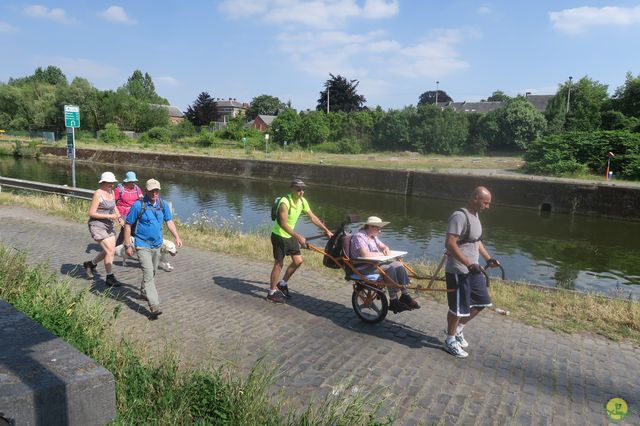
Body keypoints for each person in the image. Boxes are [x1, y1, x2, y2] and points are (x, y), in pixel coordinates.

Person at [443, 186, 500, 358]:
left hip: (473, 268)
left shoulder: (476, 216)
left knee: (482, 302)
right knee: (458, 308)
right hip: (459, 270)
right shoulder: (459, 216)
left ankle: (458, 329)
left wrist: (488, 259)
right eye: (485, 203)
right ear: (475, 198)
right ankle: (450, 340)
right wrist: (467, 263)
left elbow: (477, 242)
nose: (487, 206)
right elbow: (450, 243)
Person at [123, 178, 183, 319]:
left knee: (153, 272)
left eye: (156, 191)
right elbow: (127, 224)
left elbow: (169, 221)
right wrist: (127, 244)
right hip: (142, 244)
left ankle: (144, 291)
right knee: (149, 273)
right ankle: (154, 305)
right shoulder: (138, 205)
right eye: (151, 191)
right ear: (147, 191)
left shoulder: (162, 205)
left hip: (157, 245)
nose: (154, 193)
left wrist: (177, 237)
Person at [268, 178, 333, 303]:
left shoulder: (303, 201)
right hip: (279, 235)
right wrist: (299, 237)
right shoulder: (285, 202)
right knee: (279, 264)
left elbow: (312, 217)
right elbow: (282, 224)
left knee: (298, 261)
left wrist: (326, 230)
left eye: (303, 189)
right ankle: (271, 292)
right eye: (298, 189)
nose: (301, 192)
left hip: (290, 235)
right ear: (292, 188)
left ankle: (282, 284)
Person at [349, 216, 420, 313]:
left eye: (380, 228)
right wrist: (382, 253)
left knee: (398, 265)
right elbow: (365, 254)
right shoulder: (359, 236)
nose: (380, 231)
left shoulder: (373, 237)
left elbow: (382, 246)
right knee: (389, 268)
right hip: (362, 267)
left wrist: (385, 248)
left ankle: (405, 295)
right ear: (370, 226)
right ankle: (393, 300)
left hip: (373, 264)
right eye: (378, 228)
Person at [83, 171, 123, 287]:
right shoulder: (98, 194)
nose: (112, 185)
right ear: (103, 182)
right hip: (97, 226)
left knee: (109, 250)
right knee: (110, 250)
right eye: (110, 183)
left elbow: (114, 206)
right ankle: (109, 277)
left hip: (108, 225)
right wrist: (109, 216)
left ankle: (90, 264)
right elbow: (91, 213)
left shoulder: (111, 191)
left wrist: (119, 217)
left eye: (113, 182)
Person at [114, 171, 143, 246]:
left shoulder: (137, 189)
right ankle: (117, 247)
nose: (133, 183)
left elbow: (141, 200)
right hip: (123, 213)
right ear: (126, 181)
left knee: (133, 231)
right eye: (131, 181)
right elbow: (113, 202)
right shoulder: (119, 189)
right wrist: (118, 217)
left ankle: (131, 247)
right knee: (125, 230)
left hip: (134, 213)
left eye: (134, 181)